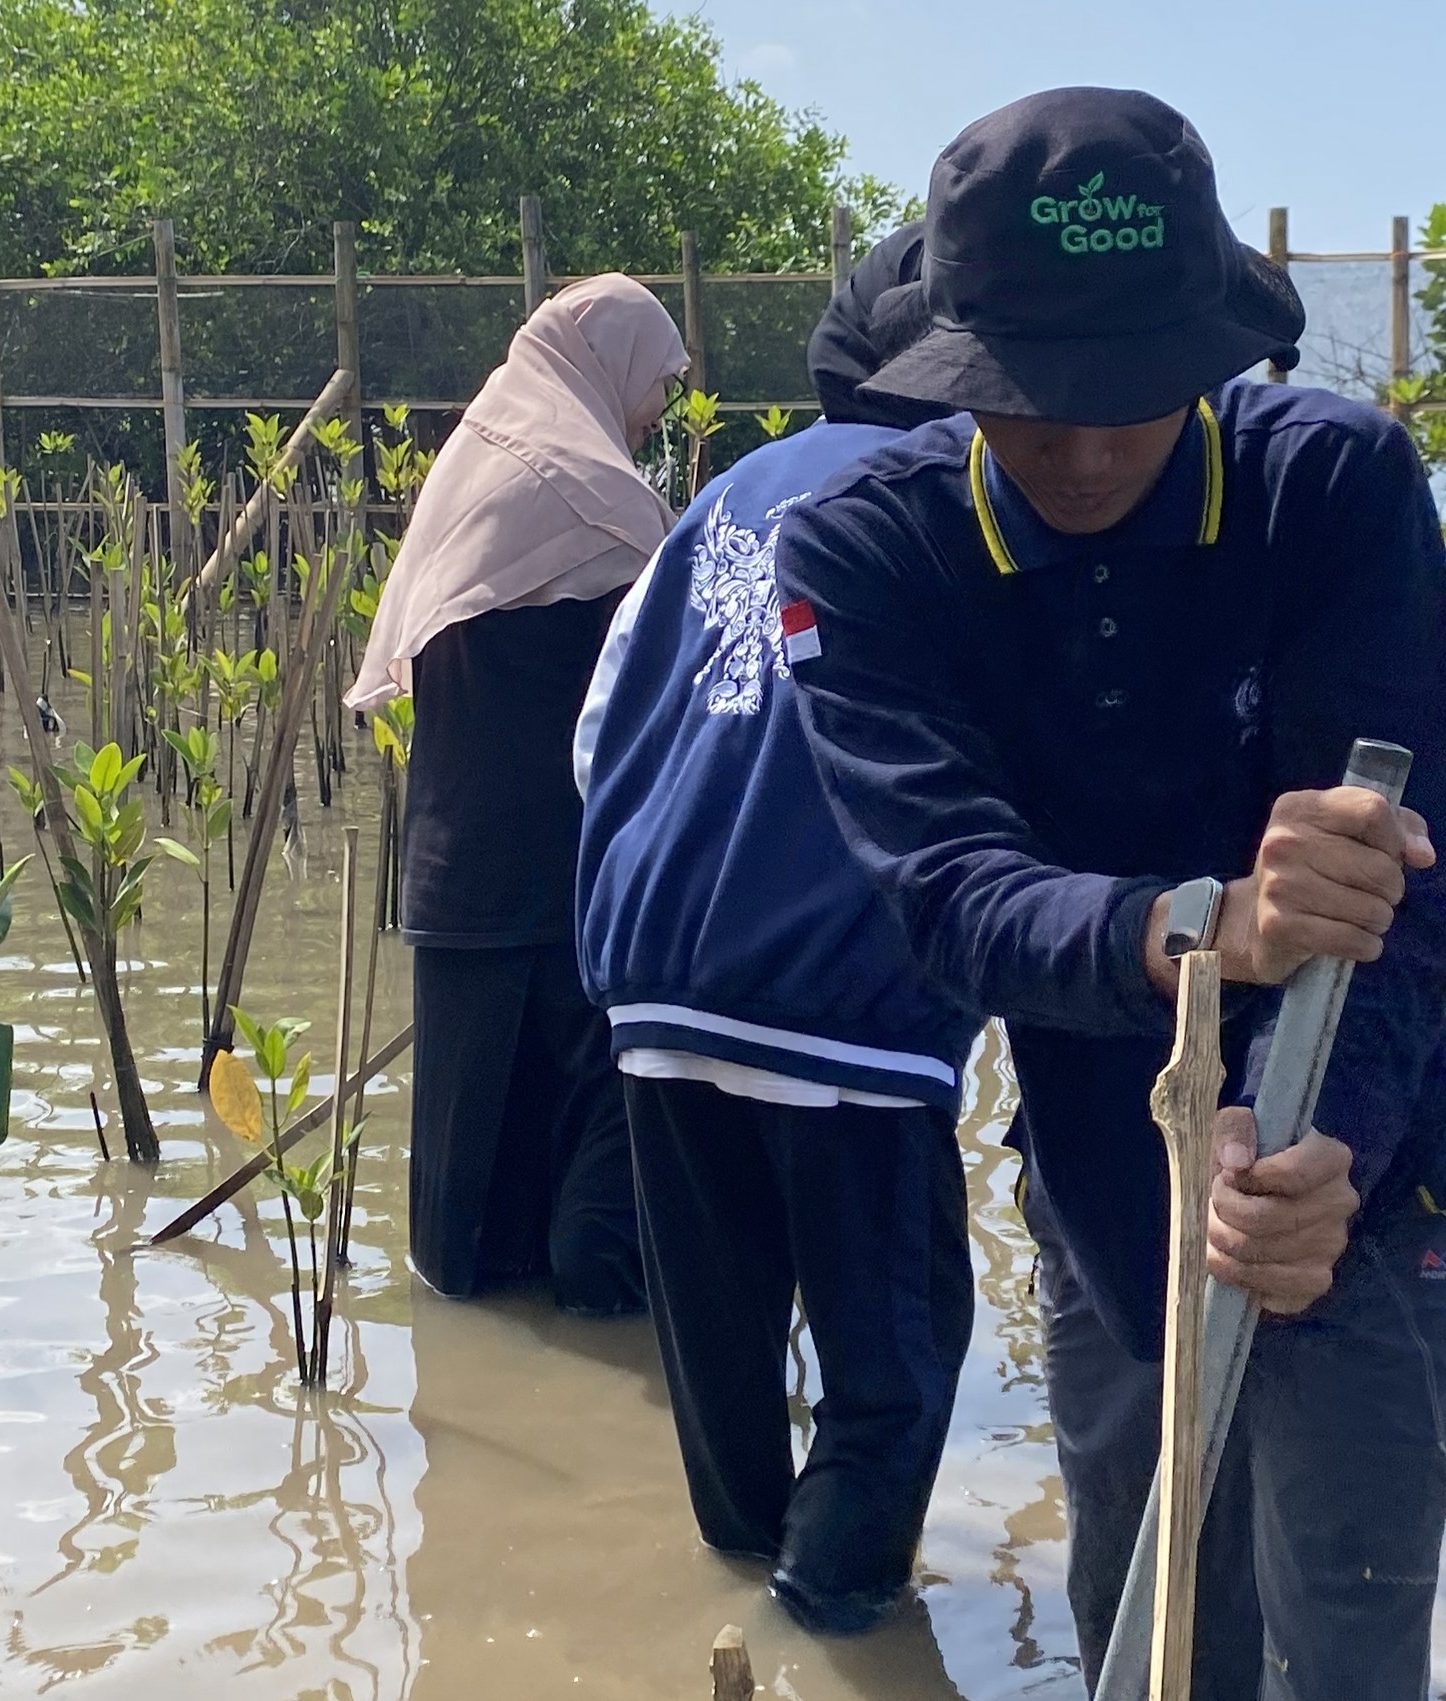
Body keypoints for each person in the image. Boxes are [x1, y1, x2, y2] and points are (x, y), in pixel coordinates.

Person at [774, 89, 1446, 1699]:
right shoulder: (866, 557)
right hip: (1106, 1181)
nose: (1088, 451)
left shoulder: (1336, 492)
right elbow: (950, 896)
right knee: (1150, 1632)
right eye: (1034, 403)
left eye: (1137, 399)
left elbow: (1405, 906)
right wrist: (1205, 923)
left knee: (1351, 1650)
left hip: (1363, 1182)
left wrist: (1329, 1158)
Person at [571, 223, 978, 1636]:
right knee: (901, 1358)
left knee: (723, 1353)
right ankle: (829, 1621)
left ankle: (740, 1584)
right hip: (845, 993)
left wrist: (662, 896)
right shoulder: (975, 491)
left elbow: (599, 728)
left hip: (655, 990)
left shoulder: (727, 491)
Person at [345, 273, 688, 1316]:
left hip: (455, 886)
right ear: (606, 363)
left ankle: (476, 1416)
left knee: (466, 1212)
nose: (657, 413)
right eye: (655, 385)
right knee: (584, 1181)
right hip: (559, 880)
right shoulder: (597, 498)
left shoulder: (479, 461)